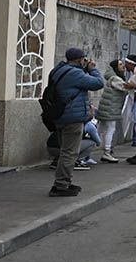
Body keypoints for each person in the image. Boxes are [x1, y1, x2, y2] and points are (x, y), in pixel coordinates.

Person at [48, 47, 103, 197]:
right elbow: (98, 83)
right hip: (73, 119)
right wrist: (92, 69)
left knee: (65, 152)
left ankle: (64, 182)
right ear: (79, 59)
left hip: (60, 117)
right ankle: (60, 185)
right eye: (83, 59)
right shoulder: (76, 73)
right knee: (69, 153)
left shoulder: (58, 70)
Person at [95, 59, 131, 163]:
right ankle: (107, 152)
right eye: (120, 65)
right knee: (110, 129)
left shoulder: (112, 77)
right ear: (115, 67)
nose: (123, 66)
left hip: (107, 108)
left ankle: (90, 150)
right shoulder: (115, 78)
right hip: (110, 109)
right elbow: (126, 87)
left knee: (101, 130)